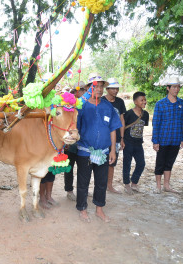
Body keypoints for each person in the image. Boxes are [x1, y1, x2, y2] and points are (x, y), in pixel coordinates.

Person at [76, 73, 122, 223]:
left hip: (103, 152)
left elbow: (113, 128)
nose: (100, 89)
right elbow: (75, 128)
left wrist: (113, 150)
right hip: (85, 151)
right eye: (96, 86)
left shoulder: (107, 106)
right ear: (89, 88)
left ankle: (99, 210)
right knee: (83, 182)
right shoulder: (81, 106)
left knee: (101, 182)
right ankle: (82, 209)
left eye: (102, 86)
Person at [152, 77, 183, 194]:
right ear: (168, 88)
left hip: (176, 139)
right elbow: (156, 123)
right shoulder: (160, 104)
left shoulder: (181, 103)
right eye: (174, 87)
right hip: (163, 139)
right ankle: (158, 186)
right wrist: (155, 141)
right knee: (160, 162)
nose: (176, 89)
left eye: (178, 87)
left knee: (170, 163)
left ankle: (167, 185)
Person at [102, 77, 126, 194]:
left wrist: (122, 138)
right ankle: (99, 185)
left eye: (117, 88)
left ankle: (109, 185)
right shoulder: (101, 100)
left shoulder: (120, 102)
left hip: (116, 138)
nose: (115, 91)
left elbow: (122, 120)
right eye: (113, 88)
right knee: (100, 161)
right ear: (107, 89)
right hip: (103, 137)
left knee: (112, 162)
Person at [123, 92, 149, 194]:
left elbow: (143, 127)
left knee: (141, 163)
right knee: (127, 164)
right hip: (128, 142)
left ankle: (134, 183)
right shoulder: (128, 114)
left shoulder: (145, 114)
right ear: (135, 102)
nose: (144, 102)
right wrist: (122, 140)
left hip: (138, 144)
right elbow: (123, 127)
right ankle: (126, 184)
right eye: (141, 100)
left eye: (145, 100)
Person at [65, 81, 86, 201]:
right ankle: (69, 190)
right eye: (78, 90)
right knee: (69, 168)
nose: (80, 92)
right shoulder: (68, 106)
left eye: (82, 90)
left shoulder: (88, 104)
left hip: (84, 141)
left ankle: (82, 189)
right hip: (71, 142)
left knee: (83, 169)